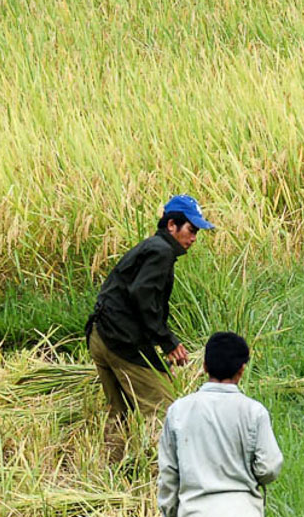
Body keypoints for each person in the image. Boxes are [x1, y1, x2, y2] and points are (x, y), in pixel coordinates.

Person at [157, 332, 284, 517]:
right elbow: (270, 467)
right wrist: (249, 475)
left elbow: (169, 473)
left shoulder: (179, 411)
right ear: (242, 370)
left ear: (204, 366)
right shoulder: (254, 412)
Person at [87, 195, 213, 461]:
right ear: (171, 225)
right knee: (162, 410)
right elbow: (142, 295)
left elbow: (130, 296)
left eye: (197, 233)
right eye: (191, 230)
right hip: (121, 342)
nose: (193, 238)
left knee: (119, 412)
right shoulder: (161, 252)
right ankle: (161, 474)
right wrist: (167, 341)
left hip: (100, 336)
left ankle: (110, 473)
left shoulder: (150, 247)